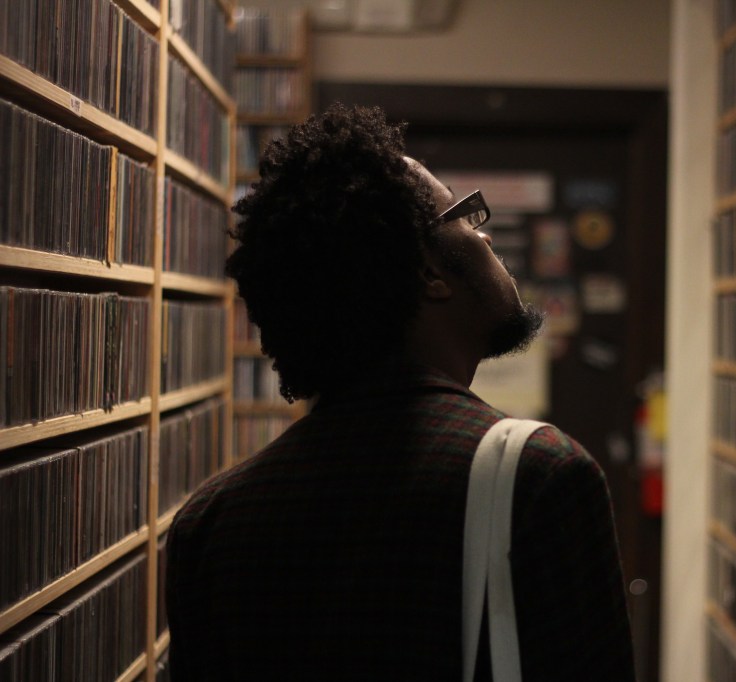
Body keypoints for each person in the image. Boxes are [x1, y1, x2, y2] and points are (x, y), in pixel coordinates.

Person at [165, 103, 636, 681]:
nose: (484, 235)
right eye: (466, 218)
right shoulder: (538, 477)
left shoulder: (209, 524)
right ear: (428, 275)